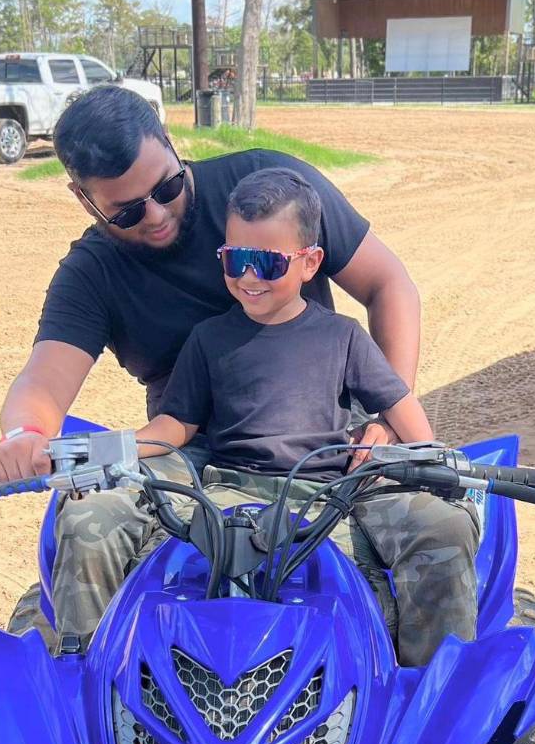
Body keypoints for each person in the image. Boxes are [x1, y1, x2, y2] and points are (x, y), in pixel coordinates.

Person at [0, 85, 429, 657]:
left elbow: (389, 284)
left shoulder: (271, 191)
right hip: (187, 448)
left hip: (323, 436)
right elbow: (45, 380)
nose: (156, 215)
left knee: (435, 523)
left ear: (171, 143)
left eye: (166, 187)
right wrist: (24, 434)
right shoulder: (93, 273)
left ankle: (430, 686)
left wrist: (386, 420)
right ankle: (89, 684)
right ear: (83, 198)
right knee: (87, 514)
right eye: (126, 211)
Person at [132, 168, 481, 666]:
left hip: (327, 497)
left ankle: (429, 688)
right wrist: (116, 448)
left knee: (433, 539)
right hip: (228, 494)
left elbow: (398, 405)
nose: (248, 277)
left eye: (267, 263)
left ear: (310, 262)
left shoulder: (343, 337)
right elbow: (176, 426)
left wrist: (431, 459)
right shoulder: (207, 339)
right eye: (235, 259)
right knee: (163, 578)